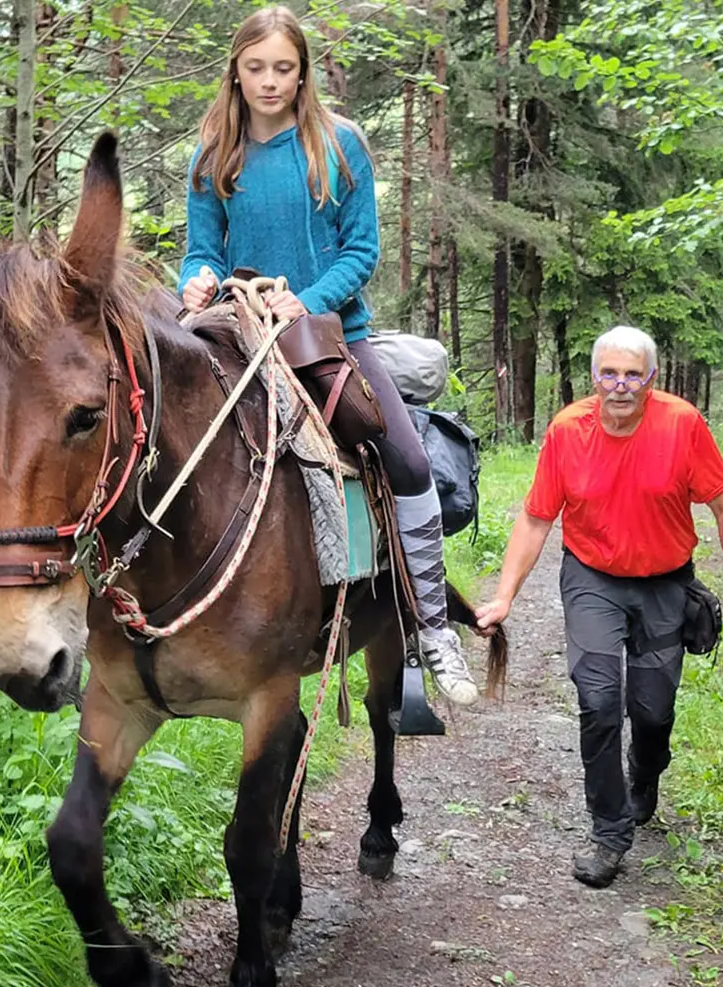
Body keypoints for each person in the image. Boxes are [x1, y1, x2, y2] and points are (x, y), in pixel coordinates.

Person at [177, 6, 476, 705]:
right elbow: (202, 249)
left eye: (283, 68)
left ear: (303, 72)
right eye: (256, 68)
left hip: (330, 336)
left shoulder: (339, 145)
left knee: (402, 455)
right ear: (236, 72)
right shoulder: (213, 153)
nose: (270, 81)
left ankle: (432, 625)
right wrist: (192, 277)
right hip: (234, 332)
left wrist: (304, 302)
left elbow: (360, 251)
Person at [475, 327, 723, 887]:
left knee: (652, 713)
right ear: (594, 377)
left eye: (633, 374)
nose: (621, 385)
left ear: (651, 379)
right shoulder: (568, 431)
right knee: (599, 699)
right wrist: (505, 595)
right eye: (610, 373)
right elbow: (537, 518)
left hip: (664, 583)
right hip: (592, 579)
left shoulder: (681, 425)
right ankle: (609, 832)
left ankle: (646, 772)